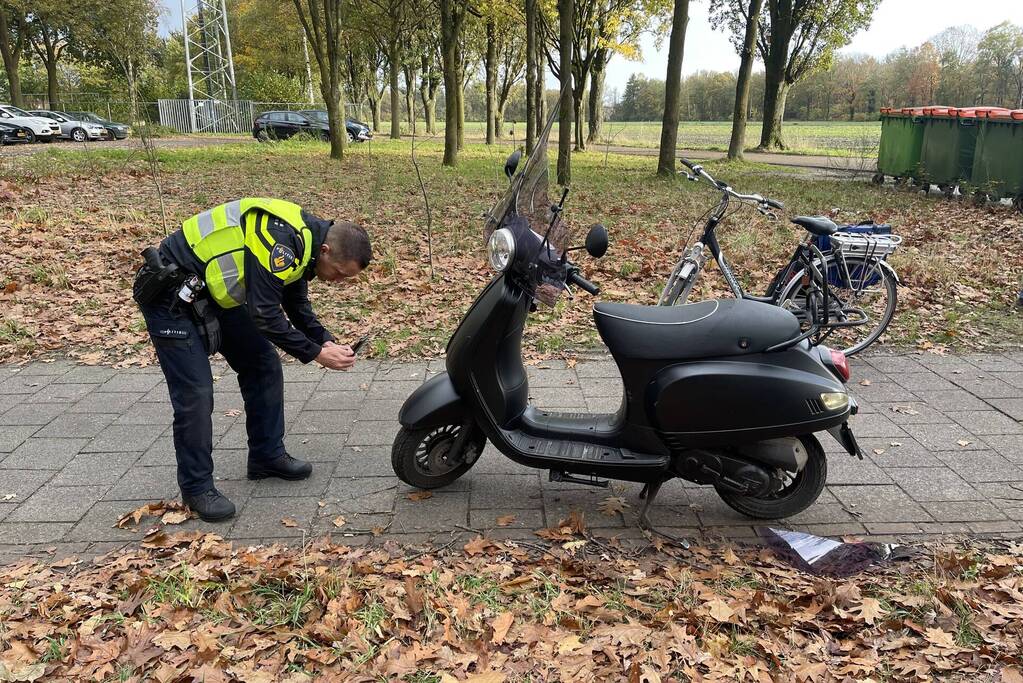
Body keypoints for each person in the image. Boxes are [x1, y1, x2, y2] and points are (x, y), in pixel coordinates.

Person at [133, 198, 372, 522]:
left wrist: (324, 339)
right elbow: (266, 315)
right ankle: (196, 487)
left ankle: (266, 456)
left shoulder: (305, 241)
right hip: (170, 295)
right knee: (196, 394)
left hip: (211, 292)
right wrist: (316, 354)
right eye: (340, 274)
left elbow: (295, 301)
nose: (338, 281)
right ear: (327, 252)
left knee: (263, 364)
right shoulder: (282, 243)